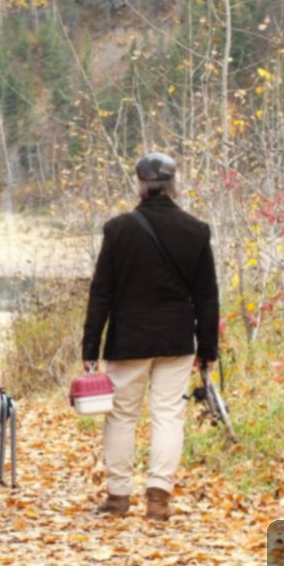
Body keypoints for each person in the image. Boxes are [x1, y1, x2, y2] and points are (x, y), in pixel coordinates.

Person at [81, 153, 220, 521]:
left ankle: (118, 497)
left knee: (122, 416)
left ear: (139, 184)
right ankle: (158, 498)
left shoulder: (118, 230)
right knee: (168, 416)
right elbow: (207, 296)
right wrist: (207, 349)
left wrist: (90, 347)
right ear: (174, 184)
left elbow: (102, 293)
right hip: (176, 340)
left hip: (128, 339)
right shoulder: (196, 230)